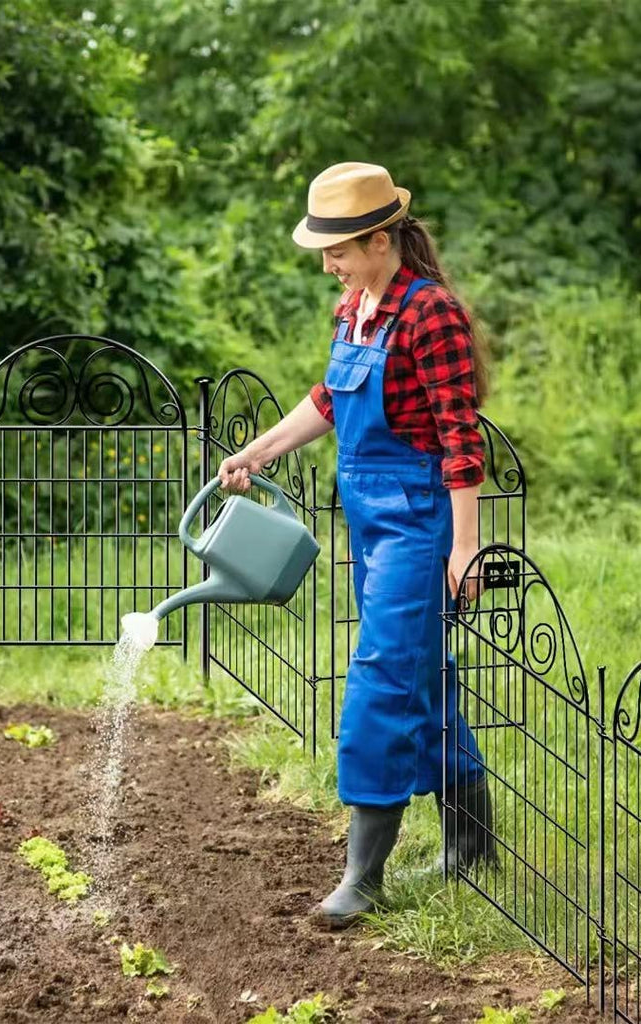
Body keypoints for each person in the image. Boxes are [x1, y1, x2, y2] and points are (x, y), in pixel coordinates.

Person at [217, 161, 496, 927]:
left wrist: (463, 548)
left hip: (418, 520)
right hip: (371, 523)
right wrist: (260, 451)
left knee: (378, 679)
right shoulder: (356, 308)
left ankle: (362, 878)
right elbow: (329, 400)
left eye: (337, 249)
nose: (327, 262)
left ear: (379, 239)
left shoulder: (429, 313)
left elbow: (460, 438)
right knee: (423, 676)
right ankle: (473, 845)